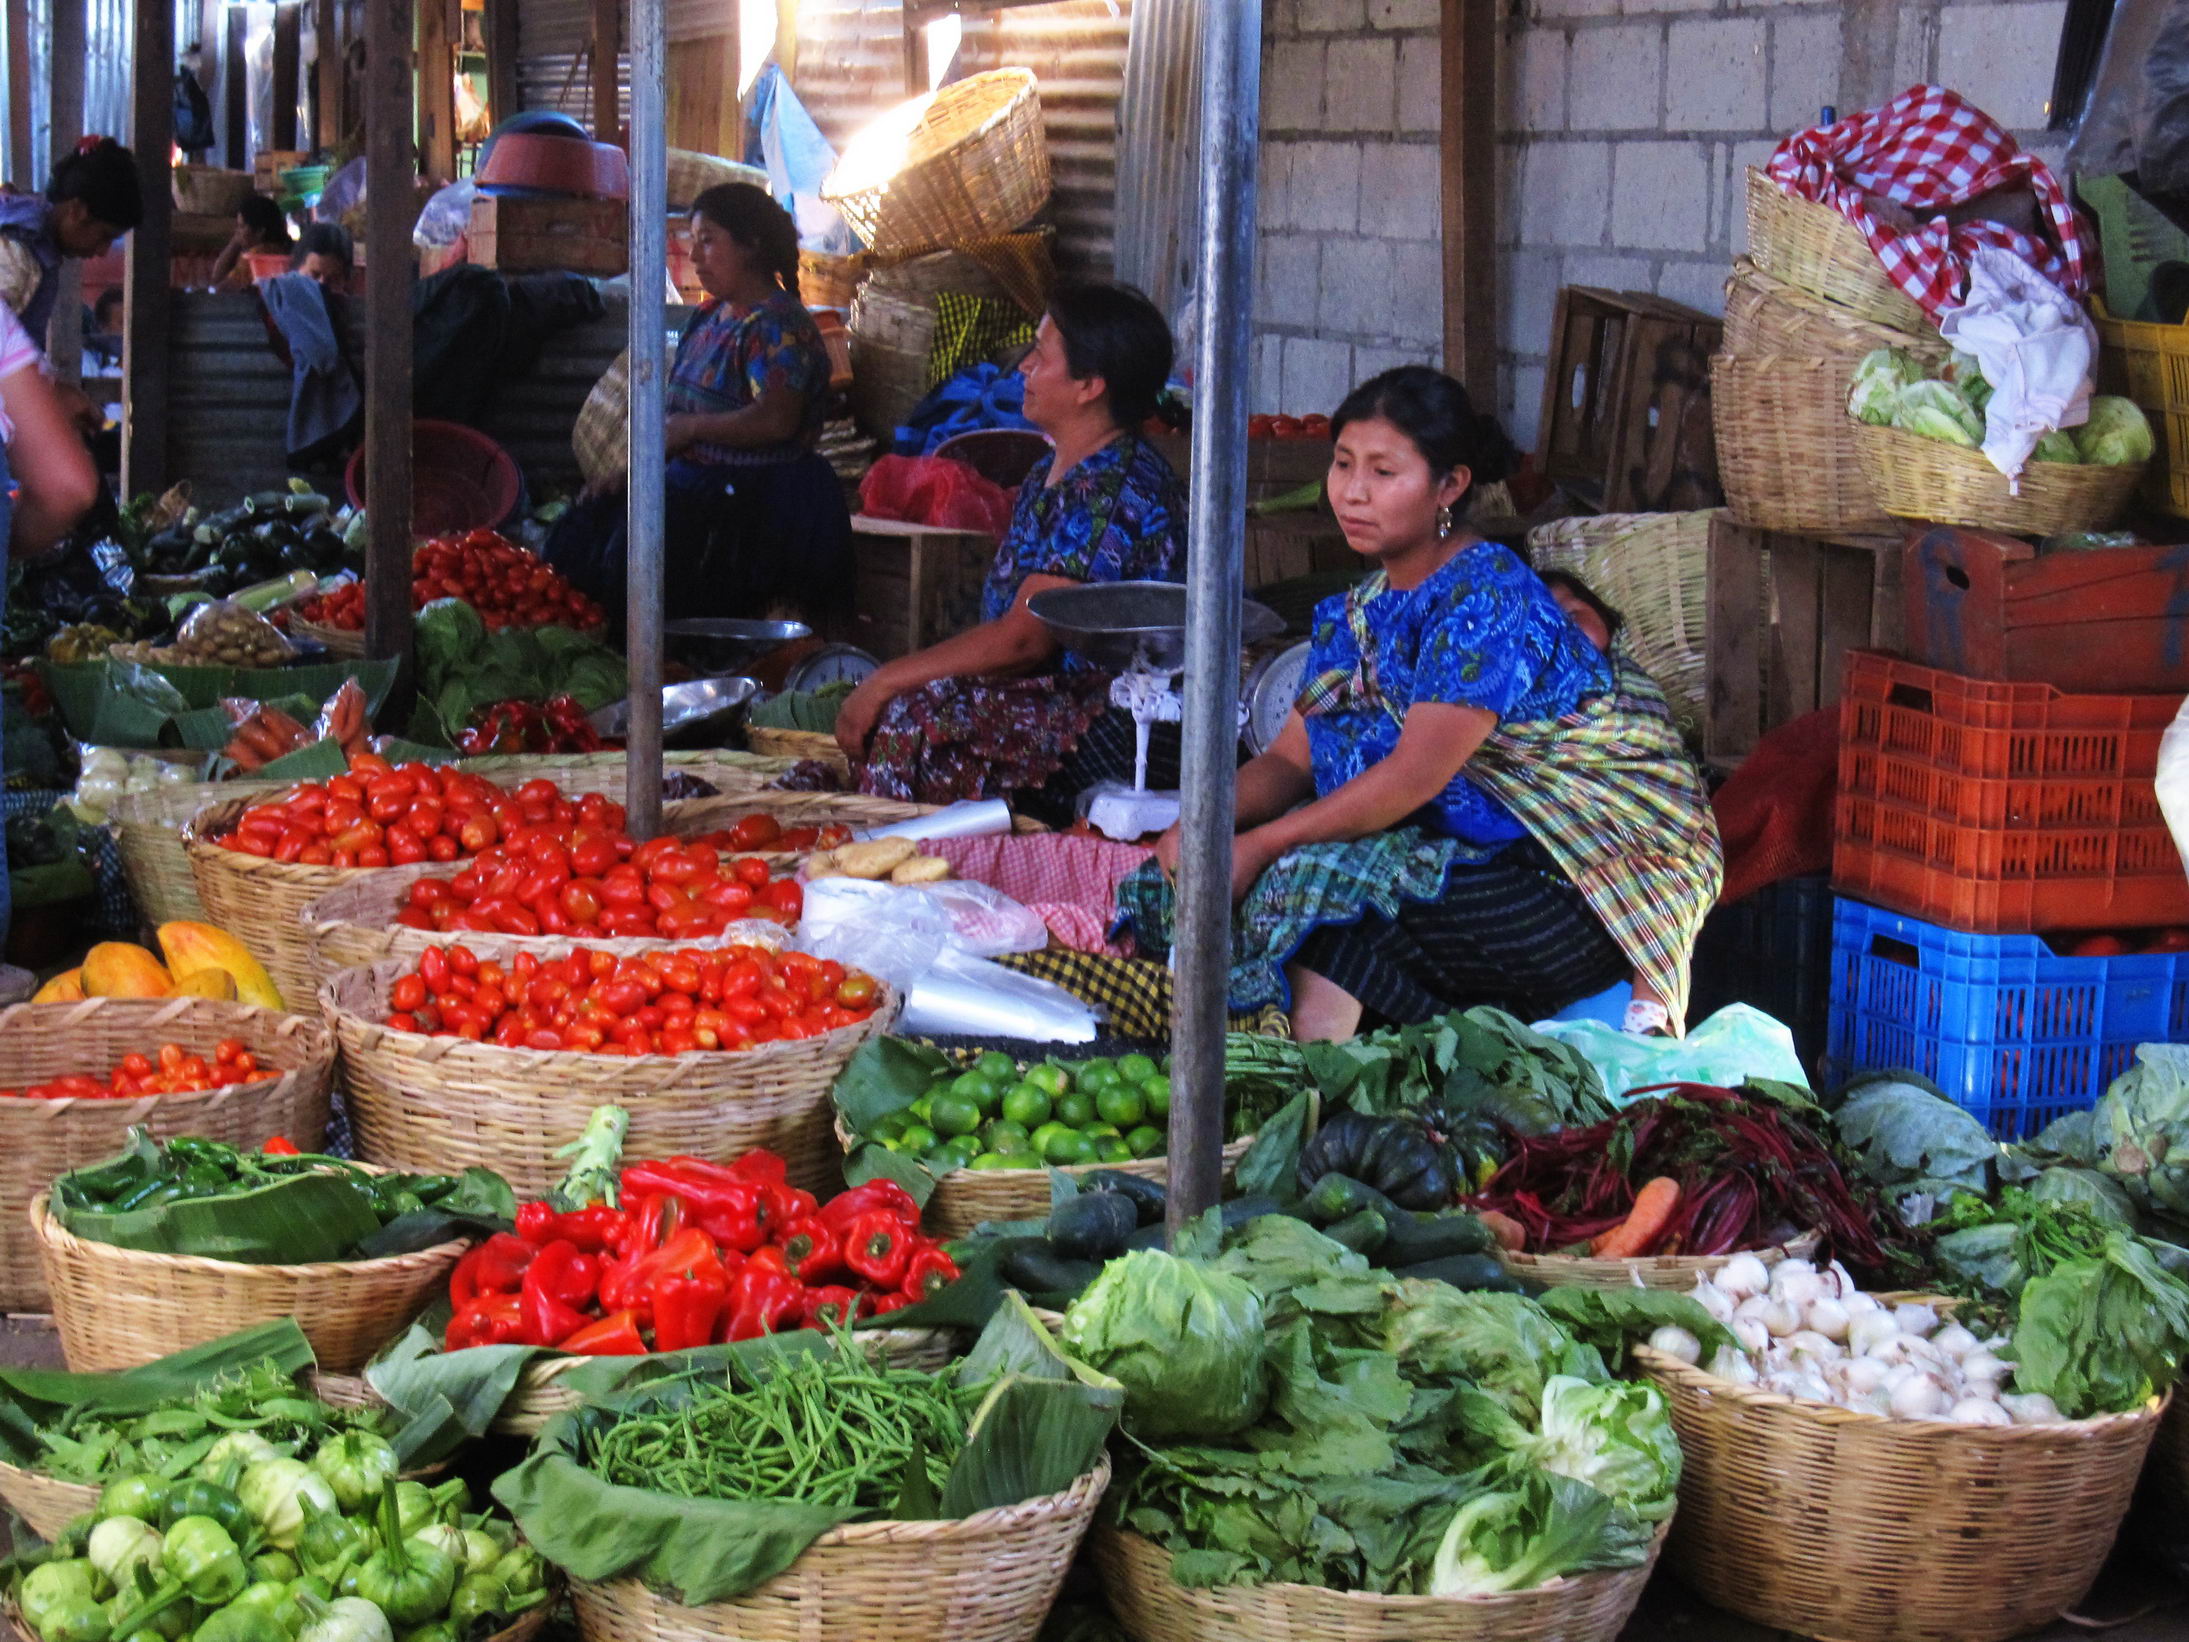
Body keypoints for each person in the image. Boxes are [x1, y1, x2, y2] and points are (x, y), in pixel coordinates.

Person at [1120, 365, 1721, 1040]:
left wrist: (1261, 844)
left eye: (1383, 472)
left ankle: (1295, 1087)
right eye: (1343, 463)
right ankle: (1226, 1073)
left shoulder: (1487, 598)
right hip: (1443, 863)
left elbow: (1414, 775)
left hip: (1561, 887)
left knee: (1321, 897)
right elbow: (1290, 760)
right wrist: (1207, 826)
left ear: (1450, 486)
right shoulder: (1358, 612)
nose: (1352, 491)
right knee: (1175, 885)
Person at [832, 281, 1187, 815]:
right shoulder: (1052, 470)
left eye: (1040, 354)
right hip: (1045, 698)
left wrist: (885, 680)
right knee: (910, 708)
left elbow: (1025, 641)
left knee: (917, 727)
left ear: (1089, 385)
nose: (1024, 367)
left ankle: (941, 853)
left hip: (1118, 718)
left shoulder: (1112, 489)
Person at [543, 182, 848, 629]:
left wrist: (692, 428)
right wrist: (627, 475)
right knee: (575, 541)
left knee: (639, 575)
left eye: (708, 241)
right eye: (693, 241)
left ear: (751, 245)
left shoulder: (778, 326)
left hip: (754, 500)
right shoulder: (708, 316)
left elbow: (777, 421)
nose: (695, 256)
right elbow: (674, 421)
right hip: (693, 483)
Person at [0, 138, 143, 348]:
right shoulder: (17, 255)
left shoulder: (35, 241)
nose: (103, 251)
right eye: (104, 236)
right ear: (76, 211)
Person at [210, 194, 295, 288]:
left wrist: (234, 244)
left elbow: (218, 283)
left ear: (259, 232)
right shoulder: (286, 248)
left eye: (241, 226)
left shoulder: (255, 256)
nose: (237, 231)